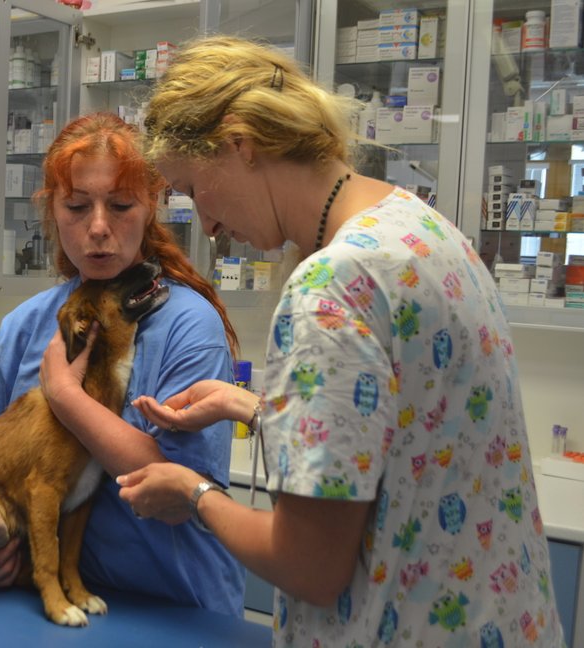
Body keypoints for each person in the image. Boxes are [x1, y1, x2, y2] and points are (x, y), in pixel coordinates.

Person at [116, 35, 566, 646]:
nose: (210, 226)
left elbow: (311, 567)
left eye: (193, 188)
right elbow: (404, 428)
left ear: (240, 144)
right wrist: (251, 406)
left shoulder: (332, 285)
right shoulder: (418, 226)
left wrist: (195, 495)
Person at [0, 112, 246, 616]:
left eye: (120, 206)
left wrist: (66, 397)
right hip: (48, 603)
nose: (98, 228)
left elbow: (182, 493)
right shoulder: (27, 325)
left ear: (151, 206)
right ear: (52, 211)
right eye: (77, 206)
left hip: (173, 610)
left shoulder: (189, 326)